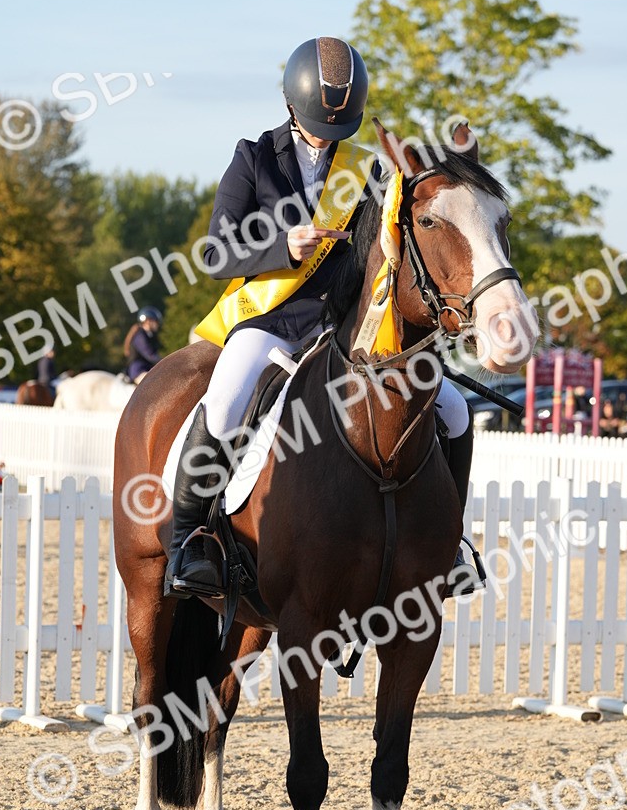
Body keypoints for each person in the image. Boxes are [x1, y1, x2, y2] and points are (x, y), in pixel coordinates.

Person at [165, 36, 482, 601]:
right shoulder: (255, 157)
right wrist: (282, 244)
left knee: (454, 410)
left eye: (339, 130)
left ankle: (448, 541)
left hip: (346, 327)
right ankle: (190, 537)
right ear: (294, 105)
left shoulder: (367, 170)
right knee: (228, 393)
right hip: (272, 321)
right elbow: (216, 253)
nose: (327, 140)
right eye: (319, 127)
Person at [125, 308, 163, 383]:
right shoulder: (140, 336)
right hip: (139, 370)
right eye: (155, 321)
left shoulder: (151, 335)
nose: (157, 324)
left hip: (147, 368)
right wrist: (167, 360)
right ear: (148, 321)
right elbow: (150, 355)